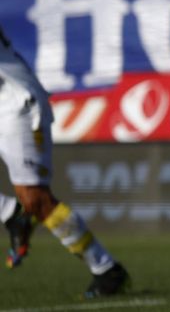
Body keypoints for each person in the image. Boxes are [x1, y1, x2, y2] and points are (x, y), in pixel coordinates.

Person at [0, 25, 129, 296]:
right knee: (30, 202)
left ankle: (106, 270)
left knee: (36, 201)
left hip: (17, 107)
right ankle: (10, 214)